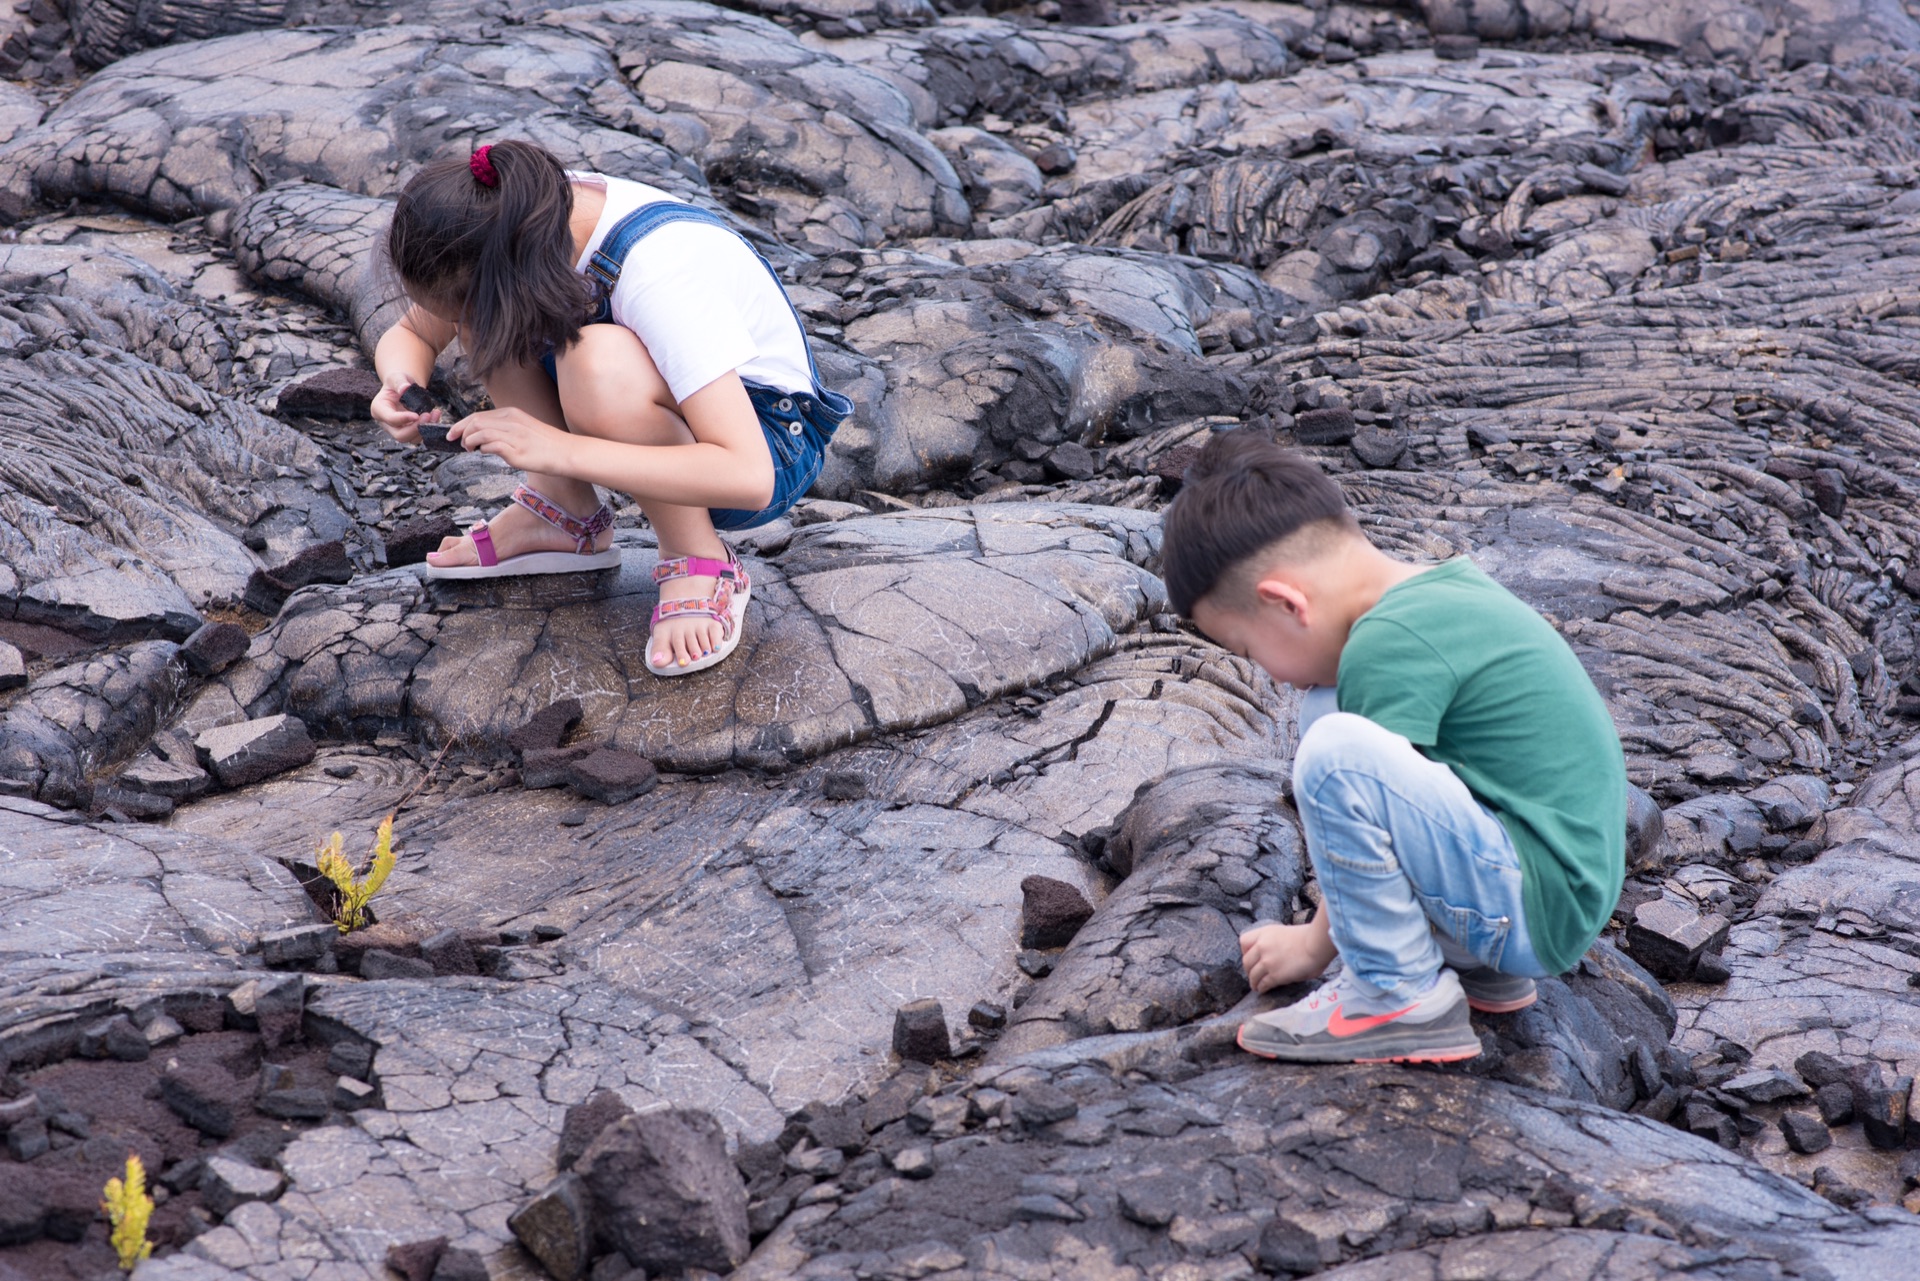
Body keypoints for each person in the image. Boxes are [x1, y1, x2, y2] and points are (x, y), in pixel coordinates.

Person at [1161, 432, 1626, 1063]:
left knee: (1336, 749)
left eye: (1247, 651)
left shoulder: (1391, 642)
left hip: (1532, 907)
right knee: (1330, 706)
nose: (1267, 674)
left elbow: (1360, 779)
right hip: (1546, 894)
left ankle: (1394, 995)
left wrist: (1312, 946)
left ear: (1285, 603)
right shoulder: (1433, 599)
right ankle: (1471, 967)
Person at [368, 141, 851, 676]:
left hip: (762, 441)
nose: (454, 323)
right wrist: (399, 380)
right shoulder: (513, 215)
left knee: (597, 360)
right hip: (670, 420)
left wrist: (560, 449)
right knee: (490, 316)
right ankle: (561, 511)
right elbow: (414, 331)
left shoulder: (659, 275)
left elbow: (748, 476)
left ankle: (699, 557)